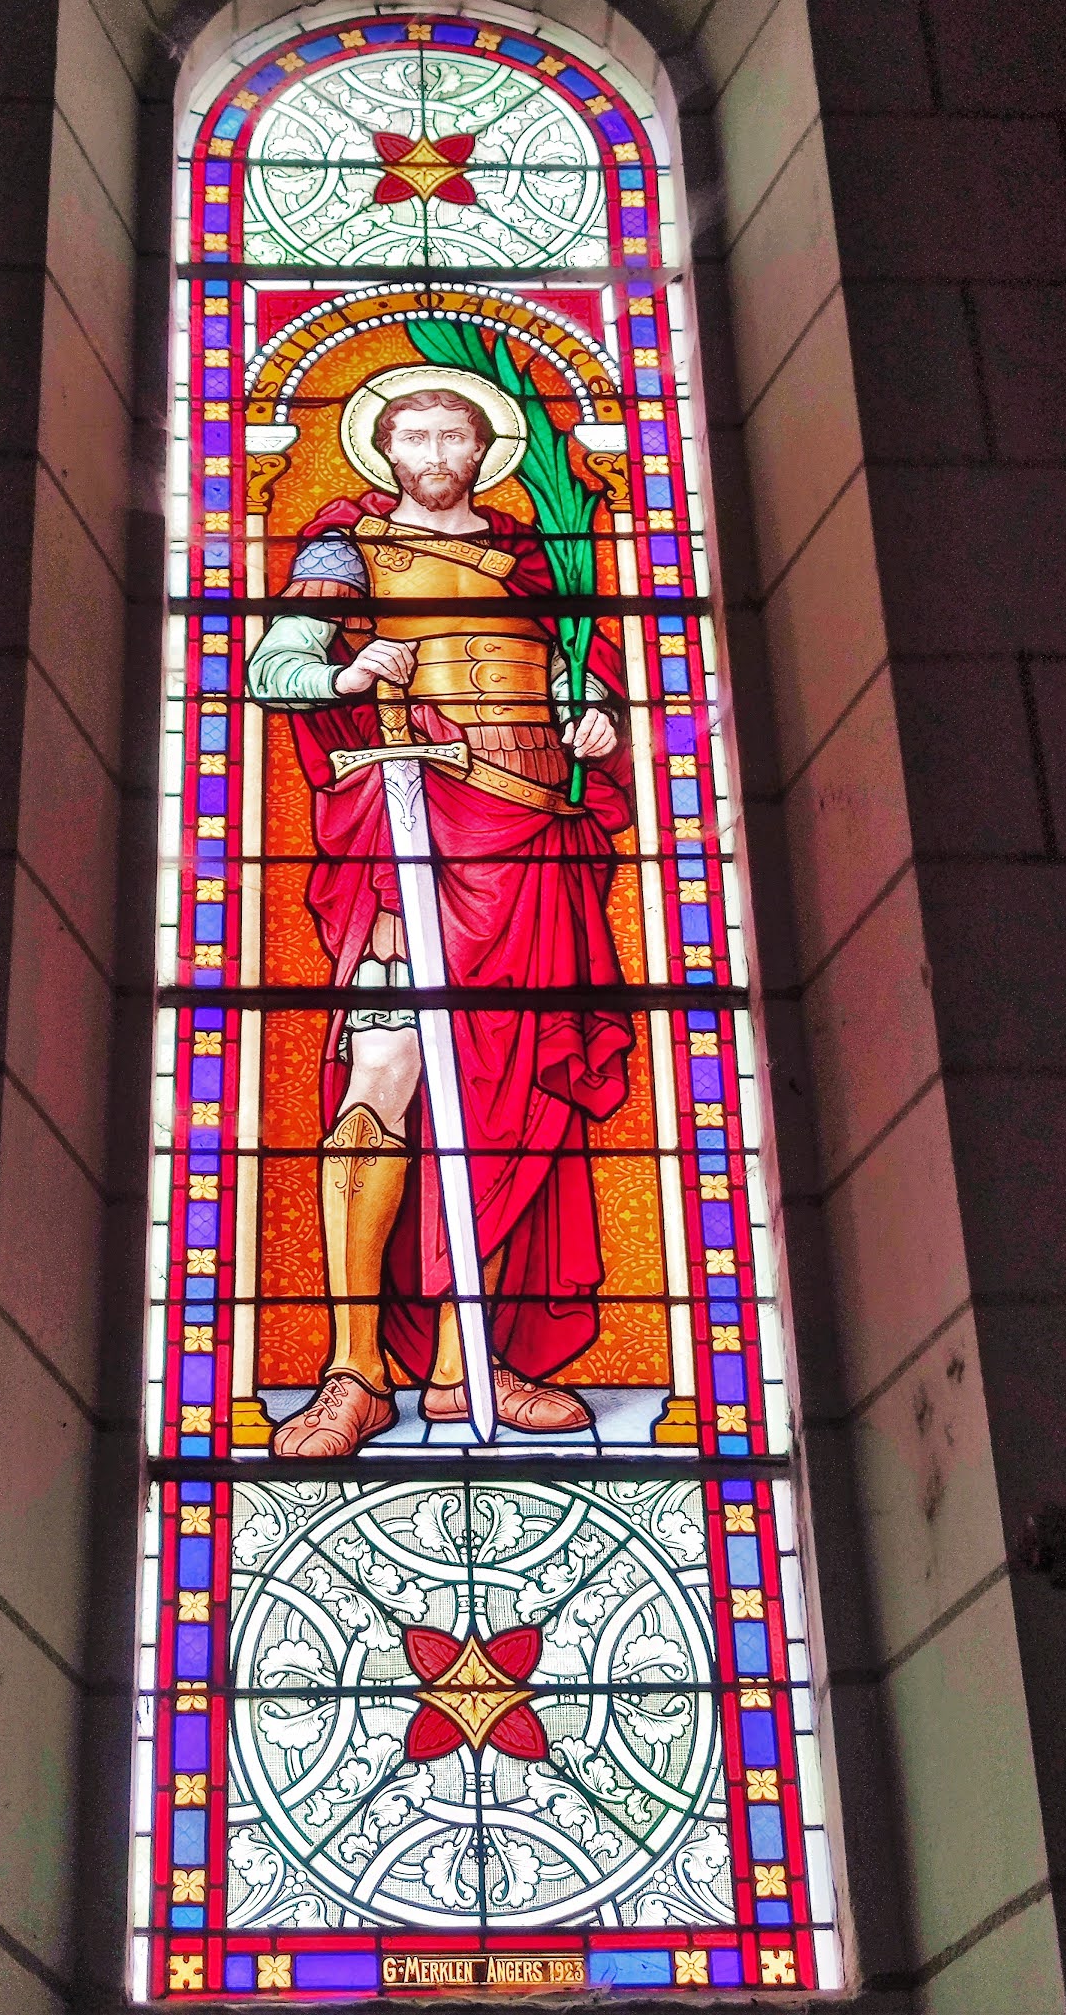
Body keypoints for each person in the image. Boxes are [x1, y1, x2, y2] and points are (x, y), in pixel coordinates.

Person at [248, 375, 634, 1455]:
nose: (432, 451)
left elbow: (578, 671)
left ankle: (471, 1367)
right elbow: (274, 667)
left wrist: (592, 715)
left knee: (511, 1096)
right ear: (383, 449)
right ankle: (354, 1371)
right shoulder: (345, 549)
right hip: (406, 832)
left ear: (483, 449)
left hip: (531, 840)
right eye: (412, 434)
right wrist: (346, 673)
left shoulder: (538, 558)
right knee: (382, 1072)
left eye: (453, 433)